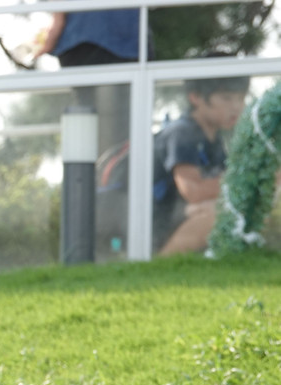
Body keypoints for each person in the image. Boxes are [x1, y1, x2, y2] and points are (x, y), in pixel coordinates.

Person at [152, 74, 249, 255]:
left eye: (241, 98)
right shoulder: (182, 133)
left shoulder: (214, 138)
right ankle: (161, 265)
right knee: (219, 213)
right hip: (154, 228)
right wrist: (249, 177)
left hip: (180, 217)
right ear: (195, 97)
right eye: (226, 98)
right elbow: (194, 192)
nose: (236, 106)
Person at [37, 4, 144, 153]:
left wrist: (45, 43)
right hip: (126, 40)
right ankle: (115, 167)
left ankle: (100, 169)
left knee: (89, 121)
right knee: (122, 124)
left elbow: (59, 18)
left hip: (83, 40)